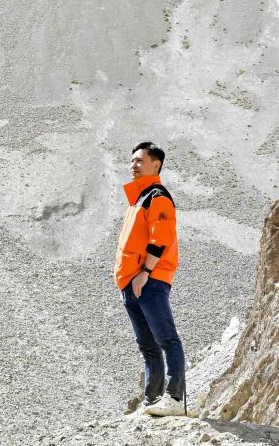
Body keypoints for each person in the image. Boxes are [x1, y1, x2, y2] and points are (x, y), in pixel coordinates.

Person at [114, 141, 187, 417]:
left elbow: (162, 238)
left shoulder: (158, 196)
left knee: (166, 338)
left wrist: (145, 272)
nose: (134, 165)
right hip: (131, 282)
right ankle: (153, 400)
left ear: (155, 164)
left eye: (140, 160)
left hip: (149, 280)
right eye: (132, 160)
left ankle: (175, 398)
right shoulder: (138, 199)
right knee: (147, 345)